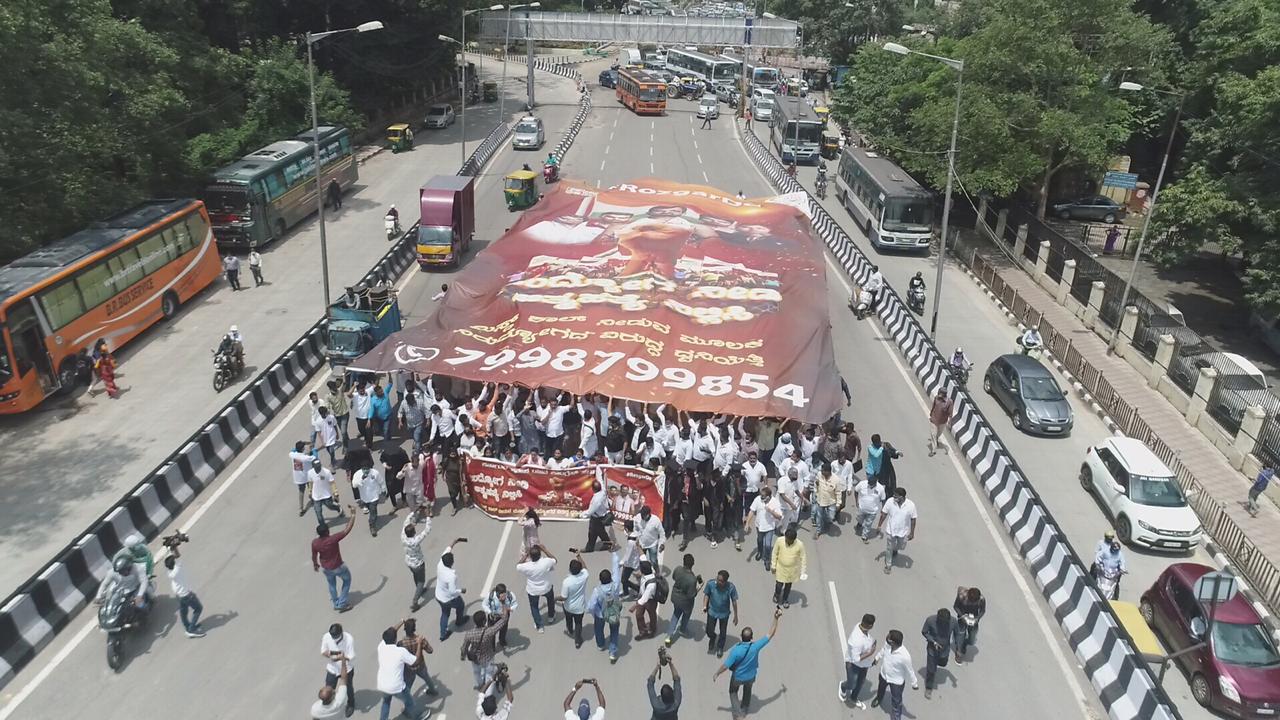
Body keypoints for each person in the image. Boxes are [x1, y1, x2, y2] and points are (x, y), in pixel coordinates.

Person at [713, 607, 782, 720]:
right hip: (751, 676)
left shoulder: (736, 650)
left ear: (741, 636)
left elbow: (726, 666)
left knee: (733, 692)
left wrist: (717, 673)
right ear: (752, 637)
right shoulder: (755, 646)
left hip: (738, 677)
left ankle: (739, 714)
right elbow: (770, 634)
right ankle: (744, 708)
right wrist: (776, 618)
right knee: (748, 690)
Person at [376, 625, 429, 720]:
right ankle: (418, 716)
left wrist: (401, 622)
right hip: (396, 686)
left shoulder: (381, 646)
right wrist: (419, 643)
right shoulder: (400, 652)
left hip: (382, 684)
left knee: (386, 702)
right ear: (395, 639)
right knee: (410, 702)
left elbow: (391, 632)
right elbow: (415, 661)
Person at [312, 510, 357, 612]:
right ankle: (342, 603)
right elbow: (347, 530)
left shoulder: (315, 543)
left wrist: (315, 564)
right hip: (338, 566)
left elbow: (314, 555)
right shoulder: (332, 539)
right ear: (327, 532)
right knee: (347, 580)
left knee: (331, 584)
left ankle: (335, 602)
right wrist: (353, 515)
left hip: (325, 568)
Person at [461, 603, 510, 691]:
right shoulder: (489, 632)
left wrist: (463, 656)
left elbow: (464, 646)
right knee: (489, 675)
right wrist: (504, 606)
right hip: (488, 658)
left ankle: (480, 685)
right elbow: (503, 621)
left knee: (477, 673)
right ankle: (487, 693)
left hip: (475, 658)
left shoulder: (469, 634)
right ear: (484, 621)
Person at [871, 629, 917, 719]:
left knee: (896, 701)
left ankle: (896, 716)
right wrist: (877, 658)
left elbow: (910, 670)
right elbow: (883, 650)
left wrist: (914, 683)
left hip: (896, 682)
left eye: (888, 637)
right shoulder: (888, 645)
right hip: (884, 675)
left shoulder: (905, 656)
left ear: (893, 642)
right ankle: (879, 698)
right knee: (881, 688)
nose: (887, 638)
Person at [587, 551, 624, 662]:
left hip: (600, 614)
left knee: (598, 629)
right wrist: (614, 554)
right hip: (614, 612)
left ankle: (601, 644)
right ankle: (612, 651)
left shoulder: (597, 591)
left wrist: (593, 613)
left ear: (600, 580)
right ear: (610, 578)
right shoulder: (616, 584)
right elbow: (616, 570)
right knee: (614, 631)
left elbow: (591, 605)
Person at [163, 541, 204, 638]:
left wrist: (171, 547)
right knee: (198, 609)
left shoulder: (170, 571)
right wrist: (175, 547)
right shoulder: (178, 568)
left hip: (180, 595)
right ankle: (191, 630)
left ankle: (187, 626)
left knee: (183, 612)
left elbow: (173, 558)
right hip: (187, 595)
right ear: (174, 563)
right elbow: (177, 555)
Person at [517, 543, 558, 633]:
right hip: (546, 587)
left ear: (530, 557)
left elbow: (518, 565)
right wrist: (545, 550)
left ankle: (540, 626)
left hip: (533, 590)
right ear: (540, 554)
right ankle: (551, 616)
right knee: (550, 600)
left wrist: (526, 554)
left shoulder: (527, 566)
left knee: (534, 607)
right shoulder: (545, 562)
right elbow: (554, 560)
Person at [435, 537, 470, 641]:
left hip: (439, 595)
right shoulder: (451, 576)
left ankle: (442, 634)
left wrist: (455, 541)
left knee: (445, 614)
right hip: (448, 598)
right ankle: (459, 621)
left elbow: (448, 549)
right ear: (451, 563)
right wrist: (461, 590)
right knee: (461, 605)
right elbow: (452, 591)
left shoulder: (440, 563)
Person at [840, 613, 877, 708]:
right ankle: (843, 687)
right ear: (870, 625)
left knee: (860, 682)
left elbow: (866, 641)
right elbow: (856, 659)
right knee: (852, 684)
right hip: (853, 664)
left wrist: (872, 643)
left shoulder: (860, 625)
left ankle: (853, 698)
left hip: (864, 664)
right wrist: (871, 652)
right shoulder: (856, 640)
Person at [877, 487, 917, 574]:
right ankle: (888, 565)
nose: (894, 498)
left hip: (903, 532)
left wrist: (912, 533)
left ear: (902, 497)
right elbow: (884, 514)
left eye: (896, 496)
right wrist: (879, 525)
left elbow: (913, 519)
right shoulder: (890, 501)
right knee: (889, 548)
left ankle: (895, 550)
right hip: (891, 530)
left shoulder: (911, 505)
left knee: (901, 546)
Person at [665, 553, 701, 646]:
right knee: (686, 615)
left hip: (675, 597)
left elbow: (674, 578)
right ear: (693, 564)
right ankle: (682, 629)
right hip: (686, 602)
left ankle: (669, 636)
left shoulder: (678, 569)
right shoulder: (692, 580)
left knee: (676, 614)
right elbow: (691, 595)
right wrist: (699, 588)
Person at [745, 486, 782, 571]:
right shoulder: (757, 499)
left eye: (763, 496)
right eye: (761, 496)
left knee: (768, 545)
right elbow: (752, 511)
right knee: (760, 540)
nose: (761, 498)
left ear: (769, 496)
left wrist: (771, 511)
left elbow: (779, 517)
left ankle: (767, 560)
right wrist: (747, 523)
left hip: (769, 527)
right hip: (759, 526)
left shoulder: (775, 502)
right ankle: (760, 551)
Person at [703, 570, 739, 658]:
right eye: (717, 579)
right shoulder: (711, 584)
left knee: (723, 632)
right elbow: (706, 594)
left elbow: (734, 601)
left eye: (720, 580)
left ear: (725, 582)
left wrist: (735, 615)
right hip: (712, 611)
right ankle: (713, 637)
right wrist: (704, 605)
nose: (717, 581)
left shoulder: (731, 587)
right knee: (709, 630)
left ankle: (720, 647)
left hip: (724, 614)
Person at [558, 551, 591, 648]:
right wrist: (578, 556)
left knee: (569, 619)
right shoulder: (584, 575)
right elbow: (585, 567)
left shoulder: (567, 582)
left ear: (570, 569)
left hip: (568, 606)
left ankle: (569, 629)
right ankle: (577, 640)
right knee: (578, 623)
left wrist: (555, 598)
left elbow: (564, 597)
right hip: (579, 607)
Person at [403, 509, 432, 611]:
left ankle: (419, 590)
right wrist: (428, 516)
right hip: (418, 563)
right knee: (421, 581)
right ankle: (415, 601)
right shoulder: (415, 540)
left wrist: (413, 512)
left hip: (409, 563)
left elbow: (406, 521)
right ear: (414, 532)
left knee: (415, 576)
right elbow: (427, 530)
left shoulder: (403, 536)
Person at [770, 525, 806, 608]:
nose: (787, 541)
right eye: (786, 539)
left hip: (792, 570)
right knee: (779, 585)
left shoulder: (800, 545)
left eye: (789, 540)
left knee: (788, 586)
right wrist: (773, 565)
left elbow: (803, 558)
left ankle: (785, 599)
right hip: (780, 568)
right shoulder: (779, 541)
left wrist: (803, 571)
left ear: (794, 540)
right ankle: (776, 594)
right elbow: (774, 553)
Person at [921, 608, 953, 697]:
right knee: (931, 670)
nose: (944, 624)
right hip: (932, 649)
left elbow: (957, 633)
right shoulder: (930, 620)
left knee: (943, 663)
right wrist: (933, 641)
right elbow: (924, 632)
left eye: (946, 622)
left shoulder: (953, 622)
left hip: (945, 650)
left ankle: (937, 663)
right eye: (942, 622)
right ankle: (929, 687)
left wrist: (958, 646)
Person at [312, 650, 351, 719]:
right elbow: (343, 678)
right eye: (334, 691)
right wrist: (343, 661)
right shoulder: (339, 701)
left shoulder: (315, 709)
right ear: (332, 697)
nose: (334, 691)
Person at [952, 586, 986, 662]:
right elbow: (955, 607)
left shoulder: (981, 599)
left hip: (974, 618)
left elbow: (982, 610)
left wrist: (977, 618)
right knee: (961, 635)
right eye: (972, 601)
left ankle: (964, 644)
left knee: (971, 640)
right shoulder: (962, 596)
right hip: (963, 616)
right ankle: (959, 652)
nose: (973, 602)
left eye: (974, 601)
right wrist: (962, 616)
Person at [648, 654, 682, 720]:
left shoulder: (656, 704)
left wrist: (657, 666)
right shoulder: (676, 701)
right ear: (673, 693)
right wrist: (670, 663)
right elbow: (677, 679)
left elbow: (650, 683)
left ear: (661, 697)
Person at [852, 475, 885, 543]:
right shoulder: (862, 484)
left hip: (872, 511)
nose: (870, 485)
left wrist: (883, 509)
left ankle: (864, 536)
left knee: (868, 524)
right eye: (869, 483)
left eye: (872, 484)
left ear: (876, 483)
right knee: (859, 519)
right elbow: (856, 491)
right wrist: (856, 501)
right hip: (861, 508)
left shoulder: (880, 488)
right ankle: (859, 523)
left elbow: (883, 499)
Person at [582, 480, 613, 552]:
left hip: (597, 518)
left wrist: (580, 515)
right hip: (600, 516)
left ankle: (590, 547)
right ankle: (606, 544)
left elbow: (590, 511)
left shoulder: (596, 499)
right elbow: (601, 480)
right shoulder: (602, 492)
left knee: (593, 532)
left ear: (593, 489)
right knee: (598, 532)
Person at [927, 389, 954, 457]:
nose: (938, 394)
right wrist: (931, 414)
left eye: (940, 393)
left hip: (942, 422)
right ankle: (933, 450)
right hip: (934, 420)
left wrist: (950, 422)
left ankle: (936, 440)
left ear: (944, 394)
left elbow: (950, 413)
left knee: (938, 434)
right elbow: (933, 406)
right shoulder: (936, 398)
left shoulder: (949, 402)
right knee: (933, 434)